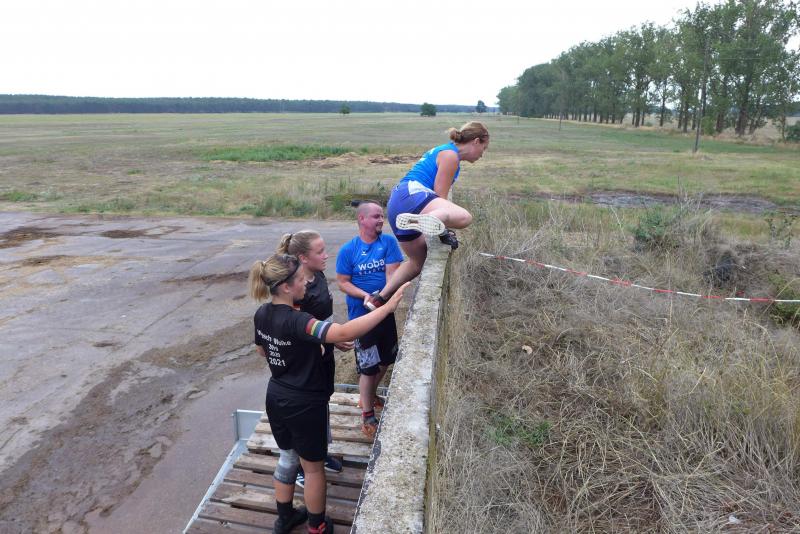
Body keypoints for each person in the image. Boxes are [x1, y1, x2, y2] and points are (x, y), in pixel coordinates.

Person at [249, 253, 408, 534]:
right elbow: (343, 332)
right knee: (312, 469)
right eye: (301, 280)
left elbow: (263, 350)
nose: (306, 284)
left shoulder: (262, 313)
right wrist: (386, 308)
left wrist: (302, 350)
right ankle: (317, 526)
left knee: (287, 457)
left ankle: (284, 518)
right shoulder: (299, 321)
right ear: (286, 287)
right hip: (304, 403)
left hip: (276, 397)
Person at [363, 121, 490, 311]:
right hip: (413, 195)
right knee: (465, 217)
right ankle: (432, 221)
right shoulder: (451, 156)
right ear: (476, 141)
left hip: (398, 202)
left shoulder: (444, 150)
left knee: (417, 262)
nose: (482, 154)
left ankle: (379, 298)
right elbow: (440, 197)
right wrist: (443, 232)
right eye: (484, 148)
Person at [275, 230, 353, 486]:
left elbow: (322, 320)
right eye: (320, 252)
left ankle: (318, 453)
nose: (326, 255)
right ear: (302, 258)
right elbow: (295, 332)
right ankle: (301, 466)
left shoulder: (318, 275)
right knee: (306, 413)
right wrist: (330, 339)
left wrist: (332, 339)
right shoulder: (297, 292)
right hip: (305, 365)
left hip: (324, 356)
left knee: (322, 402)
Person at [335, 201, 404, 437]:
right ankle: (367, 415)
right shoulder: (348, 250)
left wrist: (382, 298)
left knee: (386, 359)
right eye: (376, 216)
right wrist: (364, 295)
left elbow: (393, 274)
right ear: (361, 219)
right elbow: (343, 282)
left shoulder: (389, 243)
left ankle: (370, 395)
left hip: (384, 314)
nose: (381, 220)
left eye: (382, 216)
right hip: (361, 318)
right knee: (367, 367)